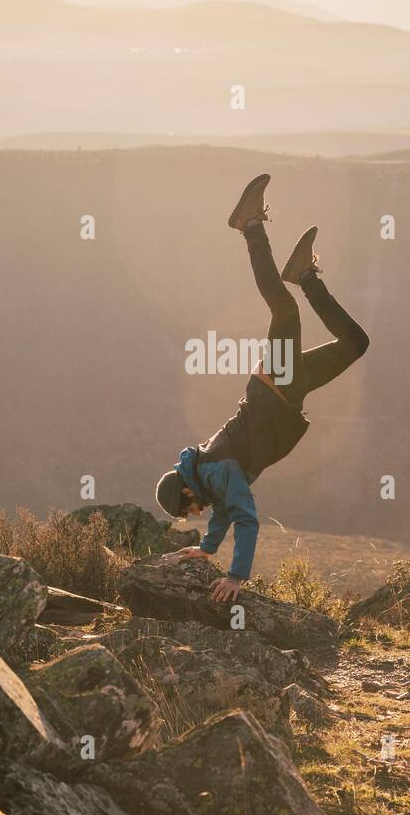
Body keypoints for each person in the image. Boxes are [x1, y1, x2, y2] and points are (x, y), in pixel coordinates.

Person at [155, 173, 369, 602]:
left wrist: (235, 576)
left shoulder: (215, 472)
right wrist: (208, 547)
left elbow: (246, 517)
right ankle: (304, 274)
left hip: (277, 386)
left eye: (189, 509)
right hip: (286, 390)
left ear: (186, 490)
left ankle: (250, 226)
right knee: (355, 344)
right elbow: (226, 511)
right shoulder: (209, 475)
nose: (198, 514)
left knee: (283, 309)